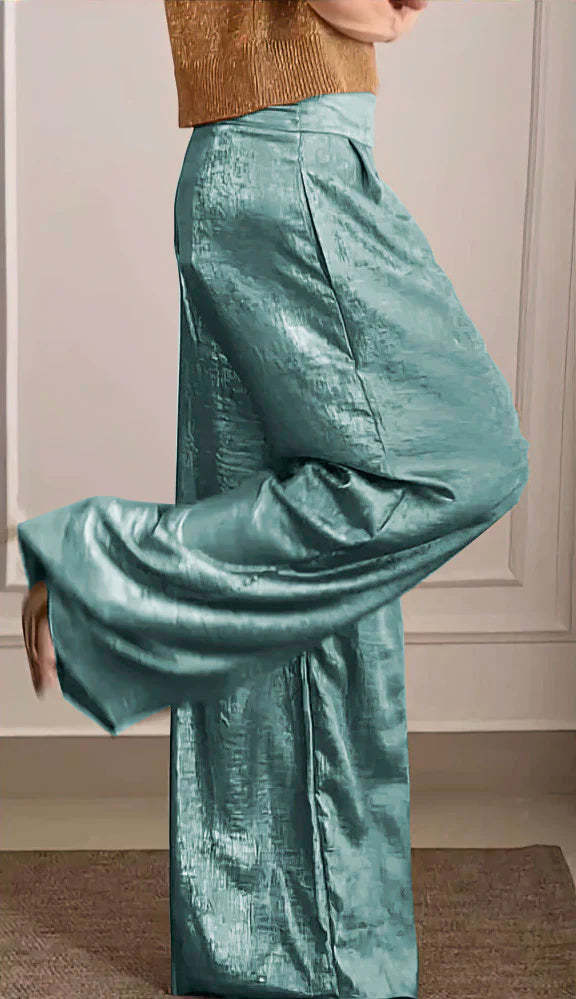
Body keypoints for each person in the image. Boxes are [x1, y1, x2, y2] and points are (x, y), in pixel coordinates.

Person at [18, 2, 530, 997]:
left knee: (312, 569)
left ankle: (275, 955)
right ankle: (99, 578)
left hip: (242, 169)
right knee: (462, 457)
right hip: (296, 162)